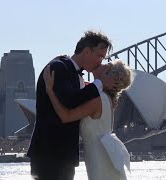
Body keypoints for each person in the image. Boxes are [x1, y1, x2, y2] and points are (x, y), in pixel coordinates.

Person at [28, 30, 118, 180]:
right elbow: (69, 101)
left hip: (61, 154)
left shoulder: (70, 70)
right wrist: (100, 83)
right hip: (50, 153)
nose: (100, 62)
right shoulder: (59, 67)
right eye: (99, 56)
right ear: (87, 51)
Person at [43, 60, 134, 180]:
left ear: (111, 78)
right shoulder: (105, 98)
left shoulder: (98, 99)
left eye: (106, 68)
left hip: (98, 156)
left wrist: (50, 91)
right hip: (105, 152)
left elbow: (66, 117)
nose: (101, 64)